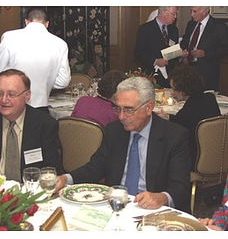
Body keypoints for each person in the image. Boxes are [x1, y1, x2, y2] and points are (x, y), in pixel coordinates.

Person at [57, 76, 192, 213]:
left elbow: (180, 186)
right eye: (118, 109)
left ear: (149, 107)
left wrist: (162, 197)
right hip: (115, 206)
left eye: (128, 110)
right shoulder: (114, 130)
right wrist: (65, 179)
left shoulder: (174, 136)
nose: (121, 117)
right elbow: (95, 168)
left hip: (152, 211)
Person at [0, 69, 61, 182]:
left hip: (30, 192)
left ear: (27, 96)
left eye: (11, 94)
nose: (4, 100)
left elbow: (51, 170)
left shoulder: (45, 124)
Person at [0, 8, 71, 113]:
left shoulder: (9, 37)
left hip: (11, 104)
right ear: (47, 24)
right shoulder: (60, 44)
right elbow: (63, 82)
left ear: (26, 22)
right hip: (41, 106)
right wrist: (45, 82)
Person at [156, 64, 221, 169]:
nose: (172, 93)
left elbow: (179, 130)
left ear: (183, 90)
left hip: (195, 161)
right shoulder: (210, 99)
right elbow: (191, 120)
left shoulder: (186, 112)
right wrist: (169, 118)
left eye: (174, 89)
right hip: (218, 157)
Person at [180, 6, 228, 91]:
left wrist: (205, 53)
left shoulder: (218, 26)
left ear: (204, 12)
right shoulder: (191, 24)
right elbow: (184, 42)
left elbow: (224, 49)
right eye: (191, 11)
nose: (191, 14)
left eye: (194, 11)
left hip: (207, 72)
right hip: (189, 71)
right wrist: (184, 54)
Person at [134, 6, 179, 88]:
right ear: (164, 13)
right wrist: (155, 61)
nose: (175, 17)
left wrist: (180, 54)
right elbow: (138, 53)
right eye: (174, 14)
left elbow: (173, 49)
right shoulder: (145, 29)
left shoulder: (174, 30)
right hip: (152, 75)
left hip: (170, 77)